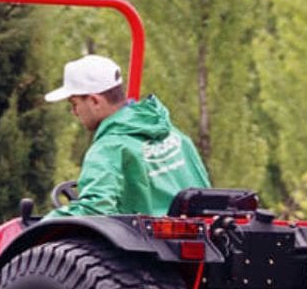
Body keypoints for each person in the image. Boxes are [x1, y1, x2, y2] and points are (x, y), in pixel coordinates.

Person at [44, 54, 211, 217]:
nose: (74, 112)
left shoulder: (109, 149)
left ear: (95, 101)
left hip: (147, 243)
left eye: (74, 104)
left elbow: (94, 210)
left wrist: (37, 229)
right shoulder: (176, 137)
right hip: (202, 237)